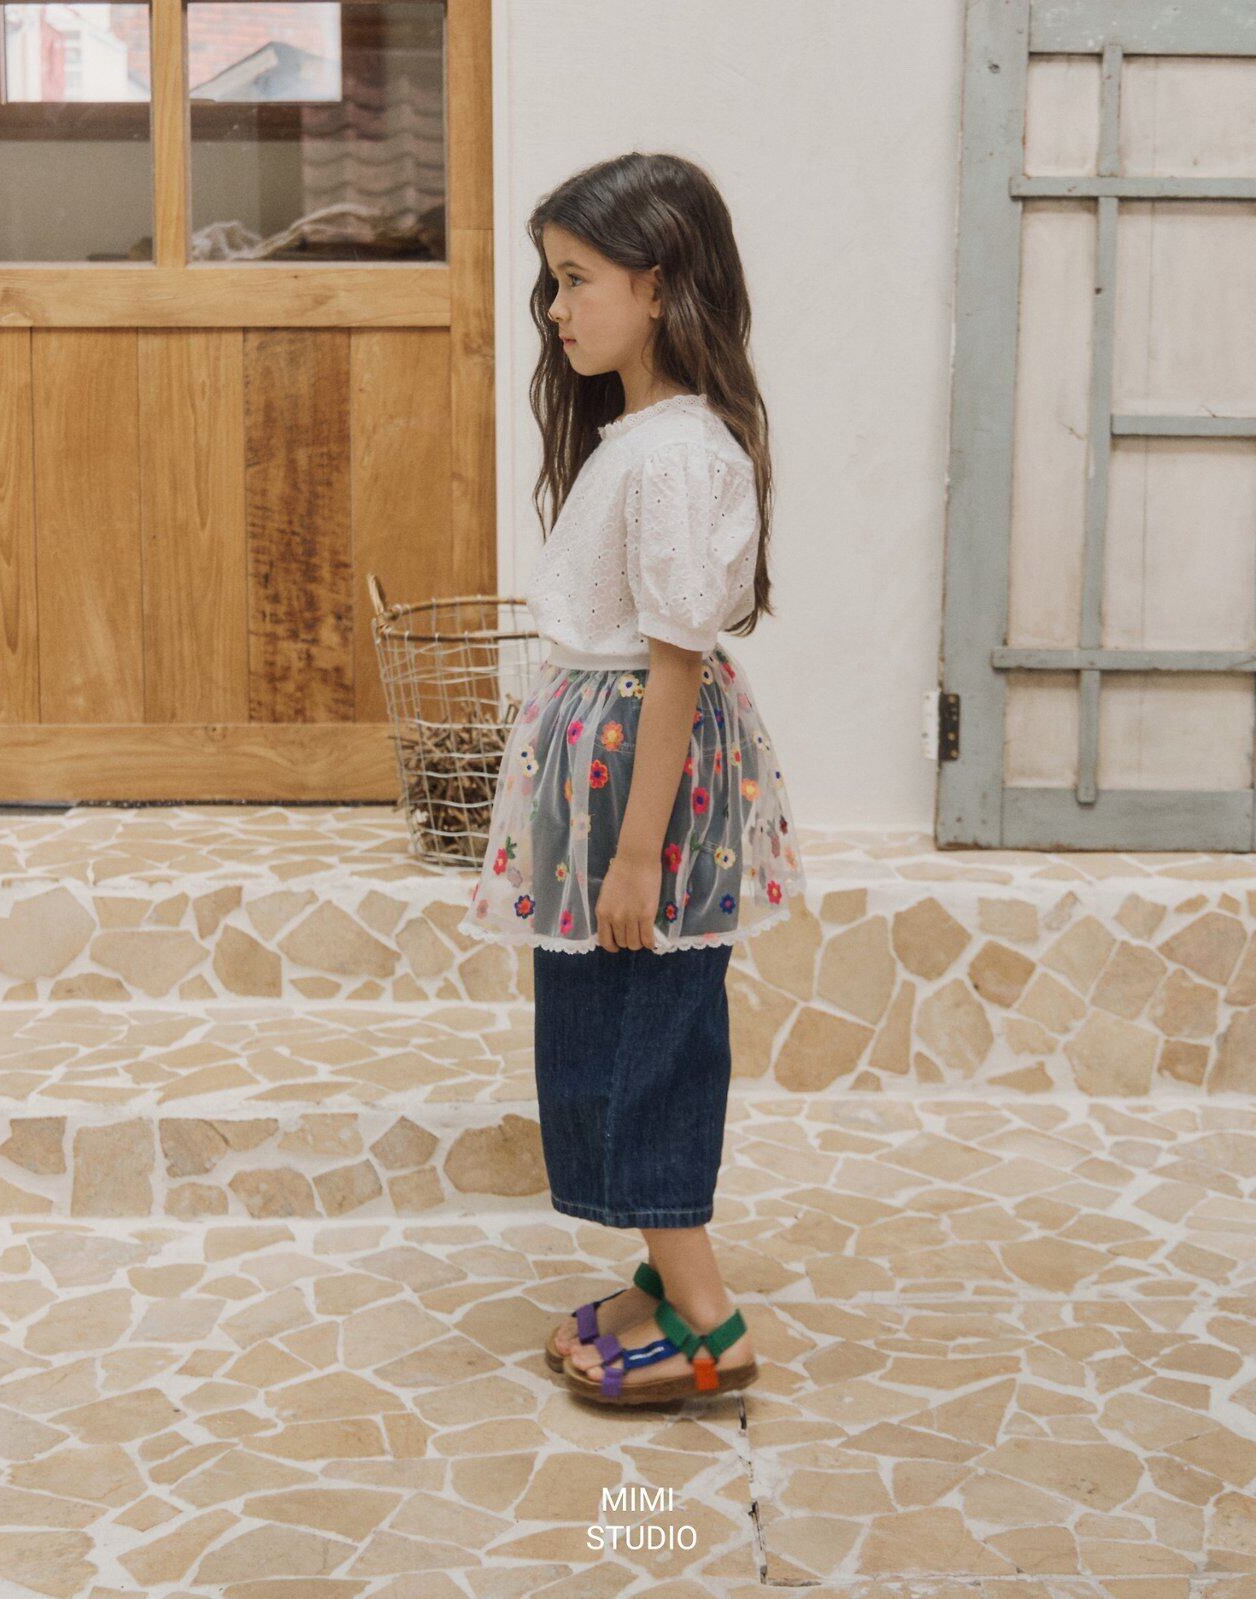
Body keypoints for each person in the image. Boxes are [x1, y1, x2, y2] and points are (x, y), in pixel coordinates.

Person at [456, 151, 808, 1406]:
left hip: (635, 777)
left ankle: (707, 1319)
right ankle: (659, 1278)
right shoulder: (638, 438)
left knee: (650, 1025)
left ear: (658, 286)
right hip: (606, 762)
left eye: (577, 280)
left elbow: (672, 661)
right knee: (607, 1016)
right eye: (552, 282)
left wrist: (635, 851)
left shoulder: (675, 455)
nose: (555, 310)